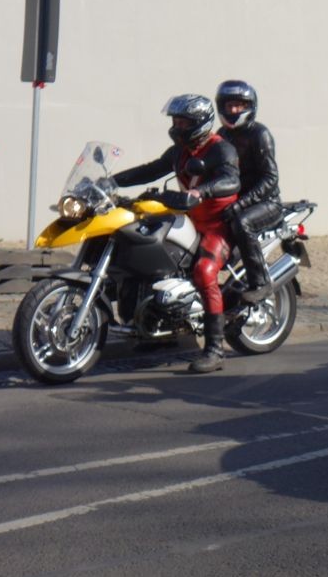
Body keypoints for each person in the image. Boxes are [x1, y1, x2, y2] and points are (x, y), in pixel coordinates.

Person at [113, 95, 240, 374]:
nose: (177, 127)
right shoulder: (180, 151)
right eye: (175, 121)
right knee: (149, 253)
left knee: (205, 271)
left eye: (183, 122)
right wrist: (111, 180)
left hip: (219, 225)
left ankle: (215, 349)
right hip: (190, 218)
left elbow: (232, 180)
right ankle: (156, 328)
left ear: (200, 124)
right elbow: (151, 170)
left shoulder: (221, 150)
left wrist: (201, 191)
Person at [214, 81, 282, 305]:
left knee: (242, 223)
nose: (234, 110)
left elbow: (271, 178)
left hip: (266, 202)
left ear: (250, 107)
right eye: (230, 105)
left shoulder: (259, 134)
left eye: (240, 105)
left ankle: (261, 283)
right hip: (235, 199)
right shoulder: (222, 134)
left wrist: (242, 204)